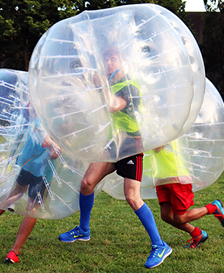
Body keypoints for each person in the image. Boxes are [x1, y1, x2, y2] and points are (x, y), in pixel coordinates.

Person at [58, 48, 173, 269]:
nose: (109, 63)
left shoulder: (130, 86)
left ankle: (160, 245)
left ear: (123, 61)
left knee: (132, 196)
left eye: (113, 59)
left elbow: (113, 105)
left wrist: (101, 85)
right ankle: (83, 230)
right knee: (87, 183)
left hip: (131, 144)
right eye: (106, 59)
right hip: (114, 143)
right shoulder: (109, 83)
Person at [0, 116, 61, 264]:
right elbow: (50, 149)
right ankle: (14, 252)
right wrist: (57, 145)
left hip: (27, 166)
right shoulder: (56, 124)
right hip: (42, 173)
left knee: (16, 193)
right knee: (32, 210)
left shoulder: (39, 117)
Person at [148, 142, 224, 250]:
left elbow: (157, 147)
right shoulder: (152, 129)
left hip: (176, 179)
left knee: (180, 218)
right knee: (166, 215)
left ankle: (213, 208)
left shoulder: (164, 131)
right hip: (162, 179)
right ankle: (198, 234)